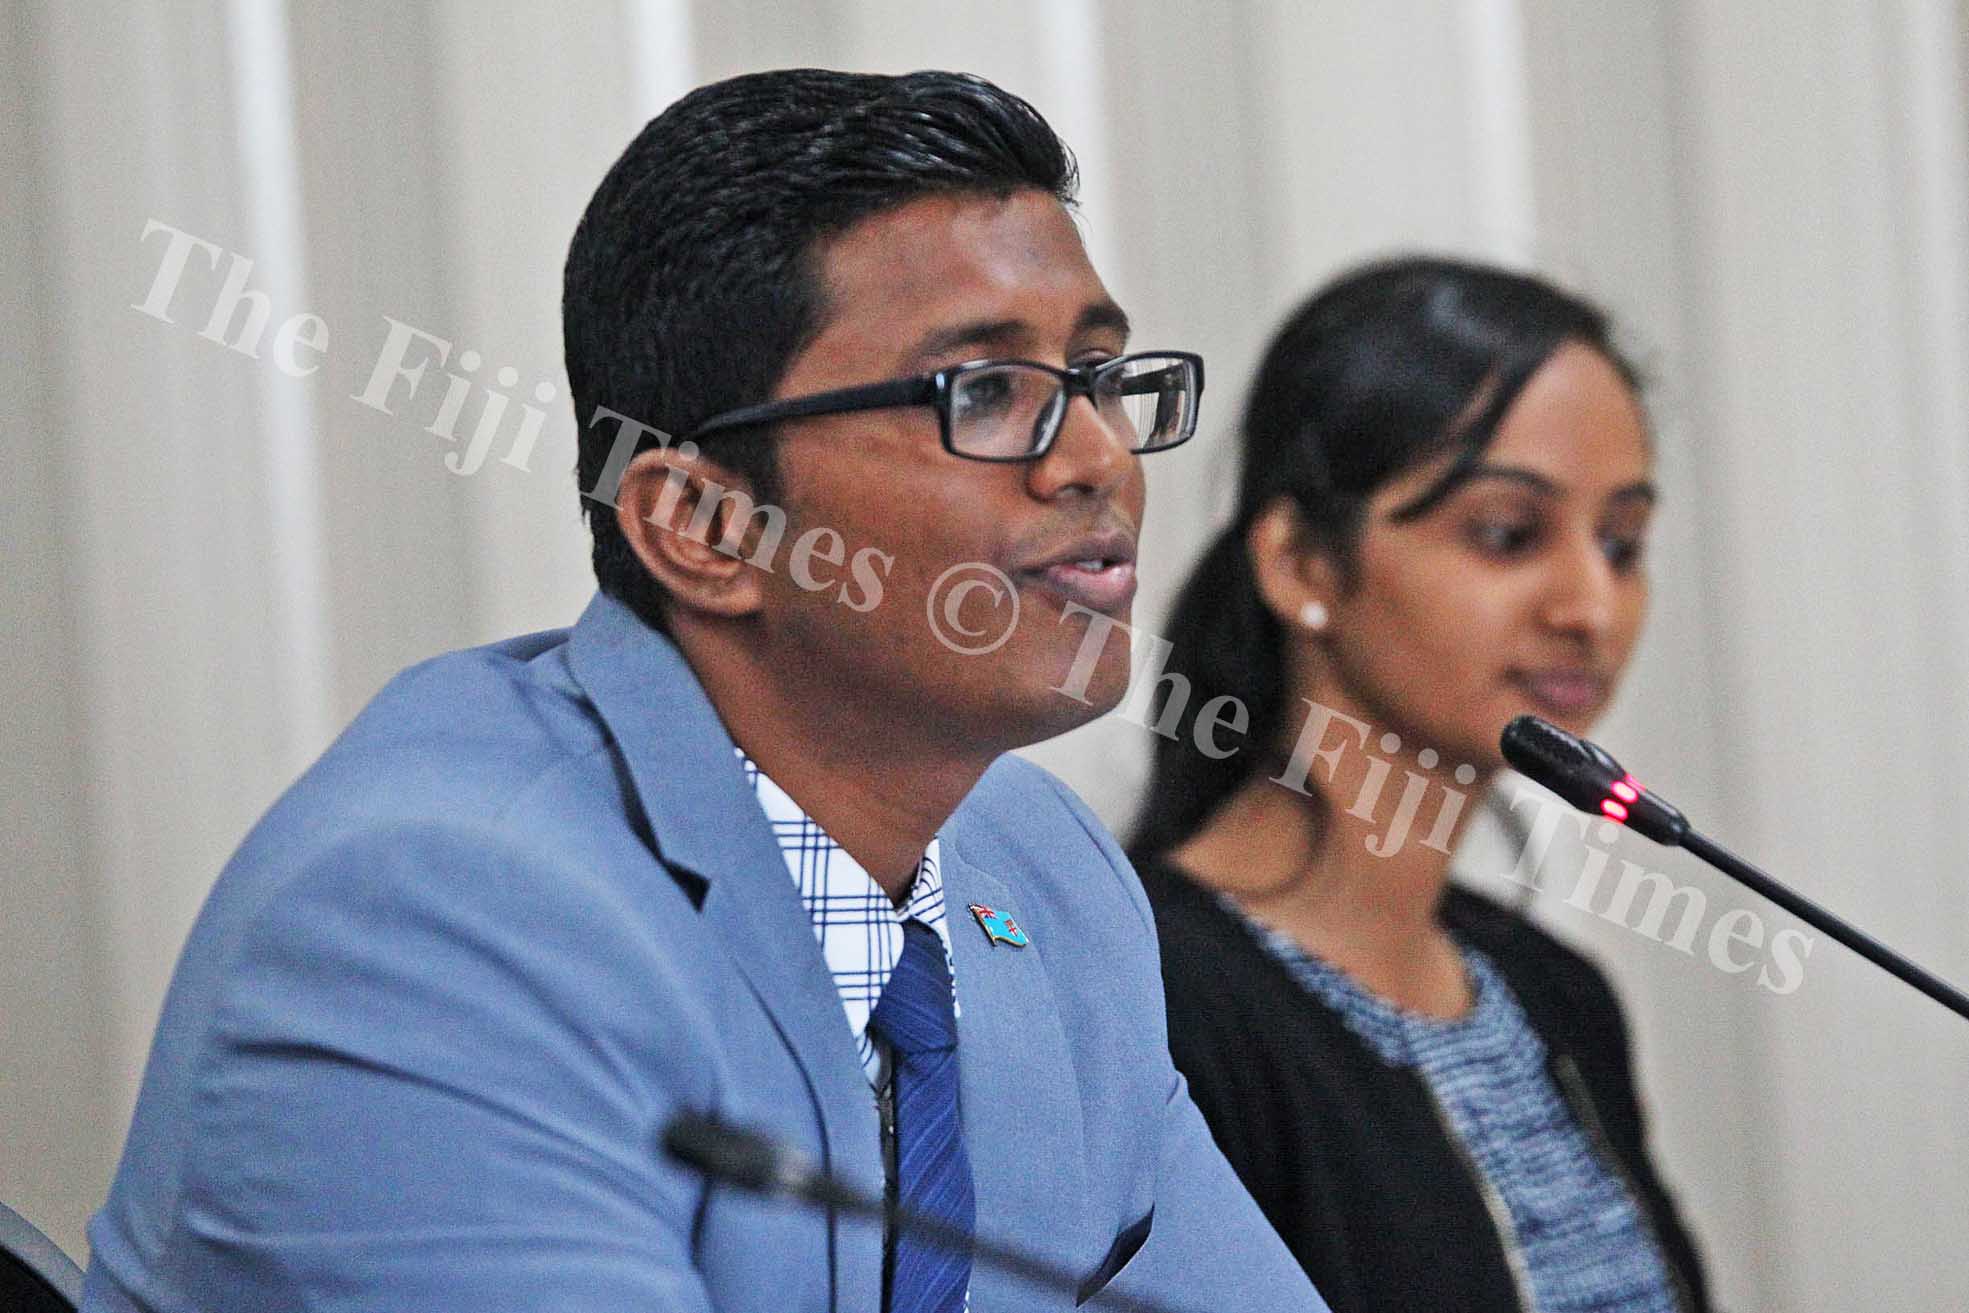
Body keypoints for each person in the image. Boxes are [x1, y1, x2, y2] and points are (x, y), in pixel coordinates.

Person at [81, 70, 1326, 1313]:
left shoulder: (1042, 873)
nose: (1101, 456)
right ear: (703, 527)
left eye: (1101, 375)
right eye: (985, 393)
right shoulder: (433, 921)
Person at [1128, 257, 1714, 1313]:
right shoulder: (1152, 994)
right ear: (1302, 560)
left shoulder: (1553, 991)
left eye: (1621, 542)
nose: (1591, 602)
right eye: (1506, 533)